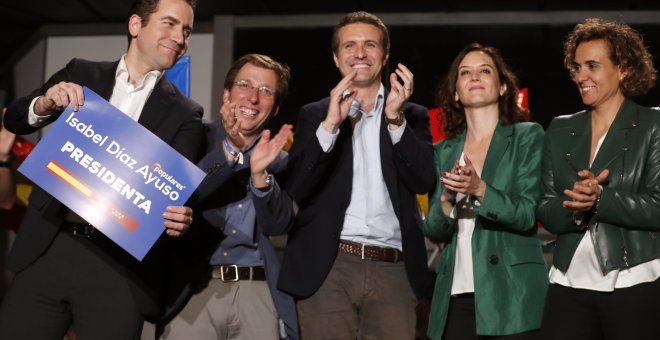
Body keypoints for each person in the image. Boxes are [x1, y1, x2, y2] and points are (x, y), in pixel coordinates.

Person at [0, 0, 205, 338]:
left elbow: (174, 195)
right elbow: (15, 118)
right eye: (169, 24)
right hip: (49, 246)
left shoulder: (187, 115)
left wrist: (181, 216)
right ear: (136, 25)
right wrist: (46, 102)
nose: (180, 37)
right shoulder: (81, 72)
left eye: (186, 30)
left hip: (119, 269)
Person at [278, 11, 436, 339]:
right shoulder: (314, 114)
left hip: (394, 269)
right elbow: (298, 188)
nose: (360, 53)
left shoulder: (412, 115)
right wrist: (330, 126)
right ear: (336, 58)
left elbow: (424, 181)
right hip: (329, 267)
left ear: (386, 55)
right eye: (350, 45)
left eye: (370, 45)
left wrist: (395, 119)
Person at [158, 54, 298, 340]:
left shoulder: (281, 160)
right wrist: (229, 152)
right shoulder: (194, 136)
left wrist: (261, 177)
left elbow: (279, 226)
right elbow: (180, 195)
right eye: (245, 85)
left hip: (256, 290)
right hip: (194, 289)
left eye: (265, 91)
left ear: (275, 109)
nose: (253, 98)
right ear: (226, 93)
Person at [537, 18, 660, 340]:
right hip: (567, 282)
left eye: (593, 65)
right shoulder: (560, 129)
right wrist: (576, 206)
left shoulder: (653, 125)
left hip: (635, 282)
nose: (581, 76)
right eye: (576, 67)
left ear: (624, 69)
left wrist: (601, 201)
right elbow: (545, 208)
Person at [422, 43, 547, 340]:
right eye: (465, 73)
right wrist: (445, 202)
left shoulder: (527, 136)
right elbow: (434, 231)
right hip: (455, 296)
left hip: (513, 293)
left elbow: (527, 214)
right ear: (455, 92)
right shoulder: (442, 150)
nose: (474, 77)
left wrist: (480, 189)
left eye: (485, 71)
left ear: (503, 87)